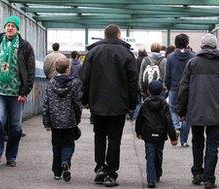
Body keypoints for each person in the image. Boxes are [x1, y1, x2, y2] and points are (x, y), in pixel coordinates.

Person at [82, 24, 138, 187]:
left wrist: (85, 99)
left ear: (104, 35)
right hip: (118, 104)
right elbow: (132, 80)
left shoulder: (93, 52)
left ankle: (100, 167)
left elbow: (85, 77)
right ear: (119, 35)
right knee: (114, 138)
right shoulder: (127, 54)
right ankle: (111, 173)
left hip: (97, 102)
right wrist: (132, 102)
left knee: (99, 135)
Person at [178, 34, 219, 189]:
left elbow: (184, 89)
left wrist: (181, 110)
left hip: (196, 110)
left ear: (202, 47)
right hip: (217, 111)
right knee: (212, 145)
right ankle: (209, 179)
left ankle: (197, 174)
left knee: (197, 141)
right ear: (215, 46)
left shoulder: (192, 63)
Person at [0, 15, 35, 169]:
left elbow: (30, 71)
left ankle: (11, 156)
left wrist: (24, 91)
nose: (9, 28)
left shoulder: (25, 47)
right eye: (7, 25)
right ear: (4, 28)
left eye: (12, 25)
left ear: (17, 29)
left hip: (17, 93)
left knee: (16, 127)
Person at [42, 56, 82, 182]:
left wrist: (46, 123)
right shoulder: (73, 84)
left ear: (55, 68)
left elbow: (45, 104)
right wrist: (77, 118)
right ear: (68, 68)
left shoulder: (50, 84)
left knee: (56, 146)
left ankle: (57, 172)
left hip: (55, 123)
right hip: (69, 122)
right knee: (68, 144)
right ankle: (65, 161)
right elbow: (77, 103)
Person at [135, 80, 178, 188]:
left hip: (148, 133)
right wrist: (173, 137)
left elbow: (139, 119)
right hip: (160, 133)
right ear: (161, 92)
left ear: (148, 91)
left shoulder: (145, 103)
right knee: (158, 154)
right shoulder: (164, 104)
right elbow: (169, 121)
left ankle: (151, 179)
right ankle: (158, 173)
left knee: (150, 155)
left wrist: (138, 131)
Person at [165, 34, 195, 147]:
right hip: (189, 90)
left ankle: (176, 127)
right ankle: (183, 141)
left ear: (175, 43)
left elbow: (167, 75)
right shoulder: (193, 56)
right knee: (187, 114)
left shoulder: (170, 57)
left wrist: (167, 88)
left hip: (174, 88)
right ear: (187, 43)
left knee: (172, 110)